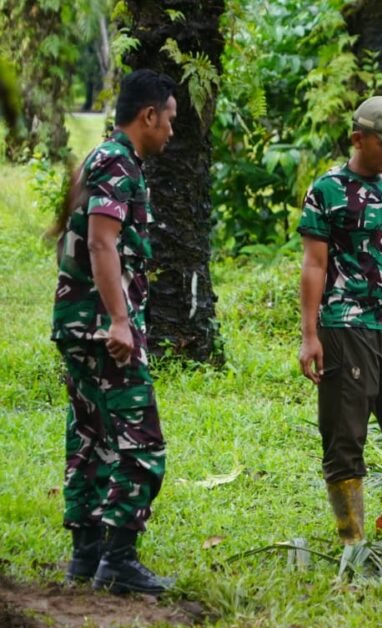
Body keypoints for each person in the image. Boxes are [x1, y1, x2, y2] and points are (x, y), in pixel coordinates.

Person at [51, 69, 178, 595]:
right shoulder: (119, 164)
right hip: (104, 329)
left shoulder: (100, 158)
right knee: (141, 444)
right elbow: (103, 243)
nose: (172, 131)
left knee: (90, 436)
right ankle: (119, 560)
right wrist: (120, 320)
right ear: (148, 115)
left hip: (78, 322)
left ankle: (87, 555)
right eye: (169, 120)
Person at [298, 95, 382, 545]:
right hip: (343, 326)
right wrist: (309, 334)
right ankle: (351, 542)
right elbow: (314, 265)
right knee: (345, 438)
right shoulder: (327, 191)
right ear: (359, 139)